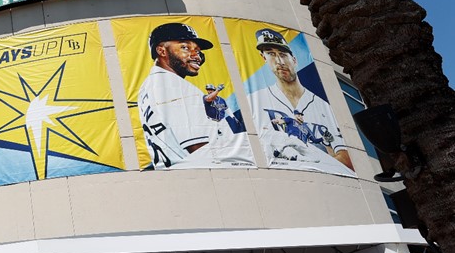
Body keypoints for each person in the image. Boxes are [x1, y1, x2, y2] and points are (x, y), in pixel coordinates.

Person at [248, 28, 354, 172]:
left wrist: (309, 163)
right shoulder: (253, 101)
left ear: (294, 60)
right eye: (271, 54)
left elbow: (347, 159)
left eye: (283, 54)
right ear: (263, 58)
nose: (279, 61)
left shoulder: (323, 106)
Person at [138, 23, 238, 168]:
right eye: (185, 47)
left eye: (197, 50)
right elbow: (199, 149)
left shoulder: (149, 85)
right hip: (203, 174)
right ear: (161, 50)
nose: (195, 55)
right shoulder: (172, 85)